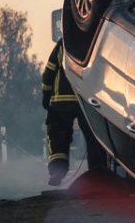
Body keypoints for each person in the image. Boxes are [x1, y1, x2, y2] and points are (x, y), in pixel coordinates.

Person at [42, 40, 105, 186]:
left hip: (62, 100)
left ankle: (57, 171)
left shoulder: (63, 44)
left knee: (58, 135)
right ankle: (99, 174)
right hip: (87, 100)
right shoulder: (95, 41)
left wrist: (46, 93)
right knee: (95, 137)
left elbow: (50, 69)